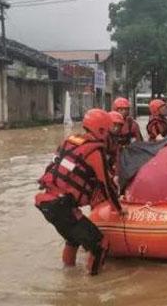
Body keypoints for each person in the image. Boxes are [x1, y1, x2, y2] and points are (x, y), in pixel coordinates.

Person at [34, 109, 123, 275]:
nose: (110, 136)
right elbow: (107, 186)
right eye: (108, 132)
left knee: (72, 239)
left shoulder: (70, 141)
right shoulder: (95, 152)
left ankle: (68, 276)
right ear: (101, 130)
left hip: (46, 201)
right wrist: (119, 209)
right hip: (61, 206)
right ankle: (93, 286)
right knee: (101, 245)